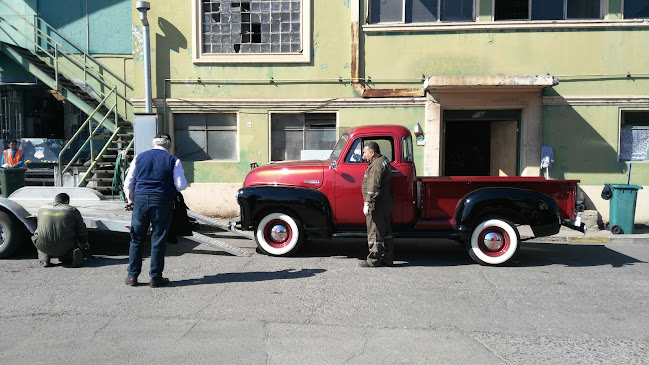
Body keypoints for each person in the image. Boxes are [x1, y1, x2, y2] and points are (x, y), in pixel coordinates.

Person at [123, 133, 188, 287]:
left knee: (136, 239)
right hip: (162, 201)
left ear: (153, 144)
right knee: (158, 239)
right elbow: (181, 185)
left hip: (140, 200)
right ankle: (155, 277)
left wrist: (131, 199)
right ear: (168, 145)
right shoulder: (174, 160)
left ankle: (132, 276)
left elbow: (129, 181)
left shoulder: (139, 157)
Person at [32, 193, 89, 268]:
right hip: (65, 245)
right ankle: (69, 256)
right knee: (71, 240)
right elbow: (82, 231)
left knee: (39, 237)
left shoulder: (42, 208)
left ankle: (44, 259)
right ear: (67, 201)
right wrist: (83, 243)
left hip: (43, 245)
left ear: (55, 200)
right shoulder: (72, 210)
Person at [360, 141, 393, 268]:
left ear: (372, 153)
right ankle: (388, 258)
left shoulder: (376, 165)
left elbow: (373, 186)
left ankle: (373, 260)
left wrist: (368, 202)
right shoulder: (383, 160)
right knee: (386, 232)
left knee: (375, 231)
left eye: (365, 152)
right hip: (385, 202)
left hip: (377, 204)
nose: (363, 155)